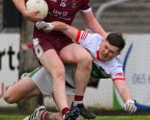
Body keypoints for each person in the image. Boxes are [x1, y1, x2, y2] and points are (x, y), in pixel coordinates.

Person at [12, 0, 107, 119]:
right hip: (44, 40)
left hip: (64, 40)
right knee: (11, 97)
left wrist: (105, 36)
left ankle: (78, 104)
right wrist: (25, 12)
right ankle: (65, 110)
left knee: (86, 59)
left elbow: (90, 20)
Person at [4, 21, 137, 120]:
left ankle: (41, 115)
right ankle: (32, 77)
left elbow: (122, 87)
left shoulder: (115, 66)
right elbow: (66, 27)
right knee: (9, 97)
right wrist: (51, 26)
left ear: (117, 54)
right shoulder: (92, 39)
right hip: (54, 74)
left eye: (111, 52)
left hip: (70, 89)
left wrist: (129, 101)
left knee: (68, 119)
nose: (106, 52)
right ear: (103, 41)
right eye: (106, 47)